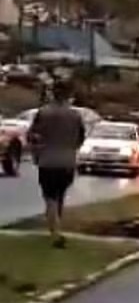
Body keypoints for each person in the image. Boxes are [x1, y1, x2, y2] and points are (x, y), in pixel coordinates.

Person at [27, 82, 85, 248]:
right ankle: (56, 227)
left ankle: (56, 234)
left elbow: (32, 136)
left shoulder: (43, 113)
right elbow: (80, 138)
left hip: (48, 160)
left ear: (53, 94)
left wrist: (36, 152)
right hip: (68, 162)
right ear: (69, 95)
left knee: (50, 197)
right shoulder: (75, 115)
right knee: (59, 195)